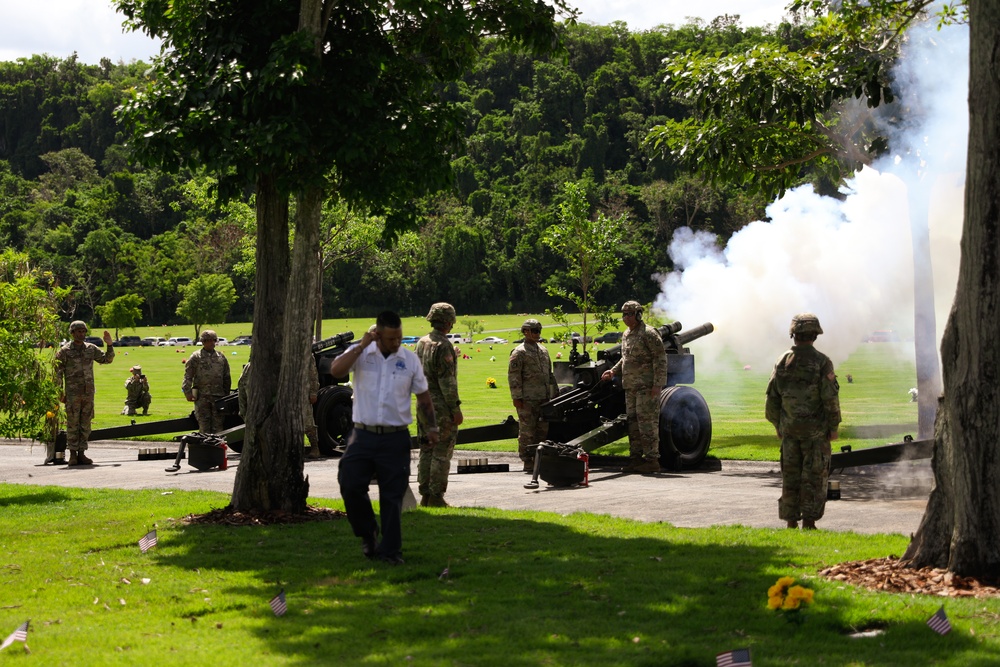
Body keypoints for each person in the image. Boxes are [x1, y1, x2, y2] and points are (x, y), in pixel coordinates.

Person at [330, 311, 438, 565]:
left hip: (395, 437)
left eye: (399, 337)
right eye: (391, 339)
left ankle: (391, 552)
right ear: (377, 335)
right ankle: (368, 533)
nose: (396, 342)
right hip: (362, 434)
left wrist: (431, 427)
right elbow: (336, 370)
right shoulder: (361, 354)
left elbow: (423, 397)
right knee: (350, 483)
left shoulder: (409, 360)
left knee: (392, 495)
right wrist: (361, 345)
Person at [765, 313, 842, 530]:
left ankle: (791, 522)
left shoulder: (782, 361)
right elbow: (830, 398)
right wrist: (833, 427)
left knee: (790, 477)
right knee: (814, 477)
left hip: (789, 432)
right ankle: (809, 522)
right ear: (815, 335)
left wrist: (778, 425)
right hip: (815, 434)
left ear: (793, 334)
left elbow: (772, 400)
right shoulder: (822, 362)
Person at [600, 301, 671, 473]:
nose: (626, 318)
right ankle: (636, 459)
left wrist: (658, 384)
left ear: (639, 314)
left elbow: (660, 359)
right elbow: (626, 358)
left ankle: (652, 460)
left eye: (629, 314)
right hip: (631, 386)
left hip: (646, 386)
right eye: (624, 314)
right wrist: (613, 371)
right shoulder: (626, 335)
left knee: (647, 423)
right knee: (633, 423)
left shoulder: (649, 333)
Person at [414, 302, 463, 506]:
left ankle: (425, 494)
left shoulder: (422, 342)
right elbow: (447, 382)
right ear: (448, 322)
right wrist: (455, 409)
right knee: (442, 451)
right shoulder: (443, 345)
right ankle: (436, 496)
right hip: (440, 407)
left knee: (426, 449)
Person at [54, 320, 115, 466]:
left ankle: (82, 453)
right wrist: (59, 392)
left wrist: (110, 344)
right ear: (72, 333)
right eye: (78, 331)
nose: (81, 334)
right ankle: (73, 454)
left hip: (88, 393)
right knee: (72, 423)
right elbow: (57, 372)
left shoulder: (91, 349)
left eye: (83, 331)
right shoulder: (65, 351)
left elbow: (107, 359)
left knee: (86, 423)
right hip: (72, 394)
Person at [508, 318, 558, 472]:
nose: (537, 334)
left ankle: (538, 458)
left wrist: (554, 393)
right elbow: (514, 376)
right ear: (526, 332)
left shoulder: (543, 350)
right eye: (535, 331)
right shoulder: (519, 352)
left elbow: (549, 375)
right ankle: (527, 460)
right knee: (527, 432)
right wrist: (517, 397)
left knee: (542, 430)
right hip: (527, 399)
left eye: (539, 331)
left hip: (543, 398)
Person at [182, 329, 232, 433]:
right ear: (203, 341)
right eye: (209, 340)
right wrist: (187, 392)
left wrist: (226, 395)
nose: (212, 343)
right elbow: (188, 376)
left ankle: (217, 448)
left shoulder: (221, 357)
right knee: (204, 427)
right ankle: (205, 449)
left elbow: (227, 377)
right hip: (202, 398)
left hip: (218, 397)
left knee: (218, 427)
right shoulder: (196, 357)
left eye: (214, 340)